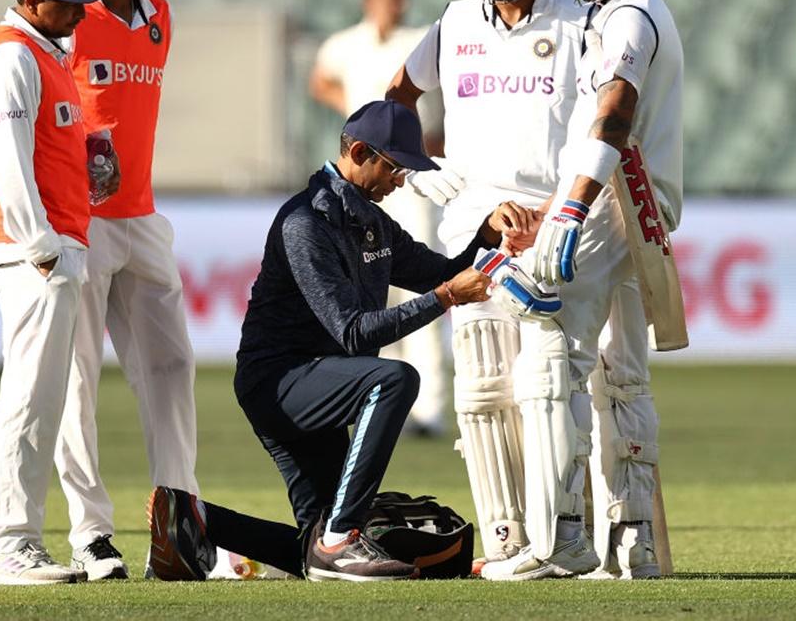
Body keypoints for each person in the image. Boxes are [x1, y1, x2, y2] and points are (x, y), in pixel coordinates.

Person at [145, 100, 542, 582]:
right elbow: (354, 333)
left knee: (314, 547)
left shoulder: (371, 220)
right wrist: (444, 299)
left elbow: (441, 272)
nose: (400, 181)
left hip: (319, 380)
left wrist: (487, 234)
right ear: (358, 152)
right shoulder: (304, 223)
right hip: (280, 383)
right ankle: (341, 539)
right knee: (394, 379)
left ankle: (195, 518)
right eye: (395, 168)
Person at [384, 0, 588, 567]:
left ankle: (561, 538)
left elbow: (602, 134)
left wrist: (557, 208)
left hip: (553, 233)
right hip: (472, 231)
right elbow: (397, 99)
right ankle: (505, 541)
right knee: (480, 395)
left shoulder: (577, 24)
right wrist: (420, 169)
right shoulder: (453, 24)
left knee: (546, 393)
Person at [497, 0, 684, 580]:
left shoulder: (630, 17)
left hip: (612, 200)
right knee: (621, 375)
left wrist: (570, 210)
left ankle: (559, 538)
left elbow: (613, 115)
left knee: (551, 355)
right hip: (636, 204)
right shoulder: (628, 11)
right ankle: (634, 547)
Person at [47, 0, 199, 582]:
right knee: (77, 381)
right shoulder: (68, 21)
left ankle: (178, 526)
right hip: (80, 225)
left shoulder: (161, 14)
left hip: (141, 217)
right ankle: (90, 535)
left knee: (171, 366)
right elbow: (48, 110)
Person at [0, 0, 113, 585]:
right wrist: (43, 248)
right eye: (70, 3)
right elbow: (8, 164)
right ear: (32, 1)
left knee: (45, 402)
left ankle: (18, 540)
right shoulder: (11, 58)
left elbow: (46, 152)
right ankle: (7, 546)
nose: (82, 14)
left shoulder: (47, 55)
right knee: (28, 401)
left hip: (53, 249)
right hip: (32, 252)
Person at [310, 0, 450, 436]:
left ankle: (429, 407)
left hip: (410, 177)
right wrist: (353, 115)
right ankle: (383, 396)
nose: (393, 1)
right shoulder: (345, 44)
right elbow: (320, 79)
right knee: (368, 290)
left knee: (417, 282)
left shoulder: (420, 40)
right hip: (359, 178)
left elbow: (443, 103)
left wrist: (434, 146)